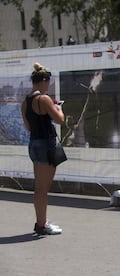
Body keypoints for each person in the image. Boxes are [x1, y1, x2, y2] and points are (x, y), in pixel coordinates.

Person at [21, 62, 65, 235]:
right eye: (48, 82)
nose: (49, 85)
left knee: (39, 187)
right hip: (46, 145)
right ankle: (42, 225)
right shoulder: (44, 99)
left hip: (34, 144)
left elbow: (28, 126)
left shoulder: (26, 101)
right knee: (43, 189)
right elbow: (60, 119)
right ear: (44, 81)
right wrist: (58, 108)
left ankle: (41, 221)